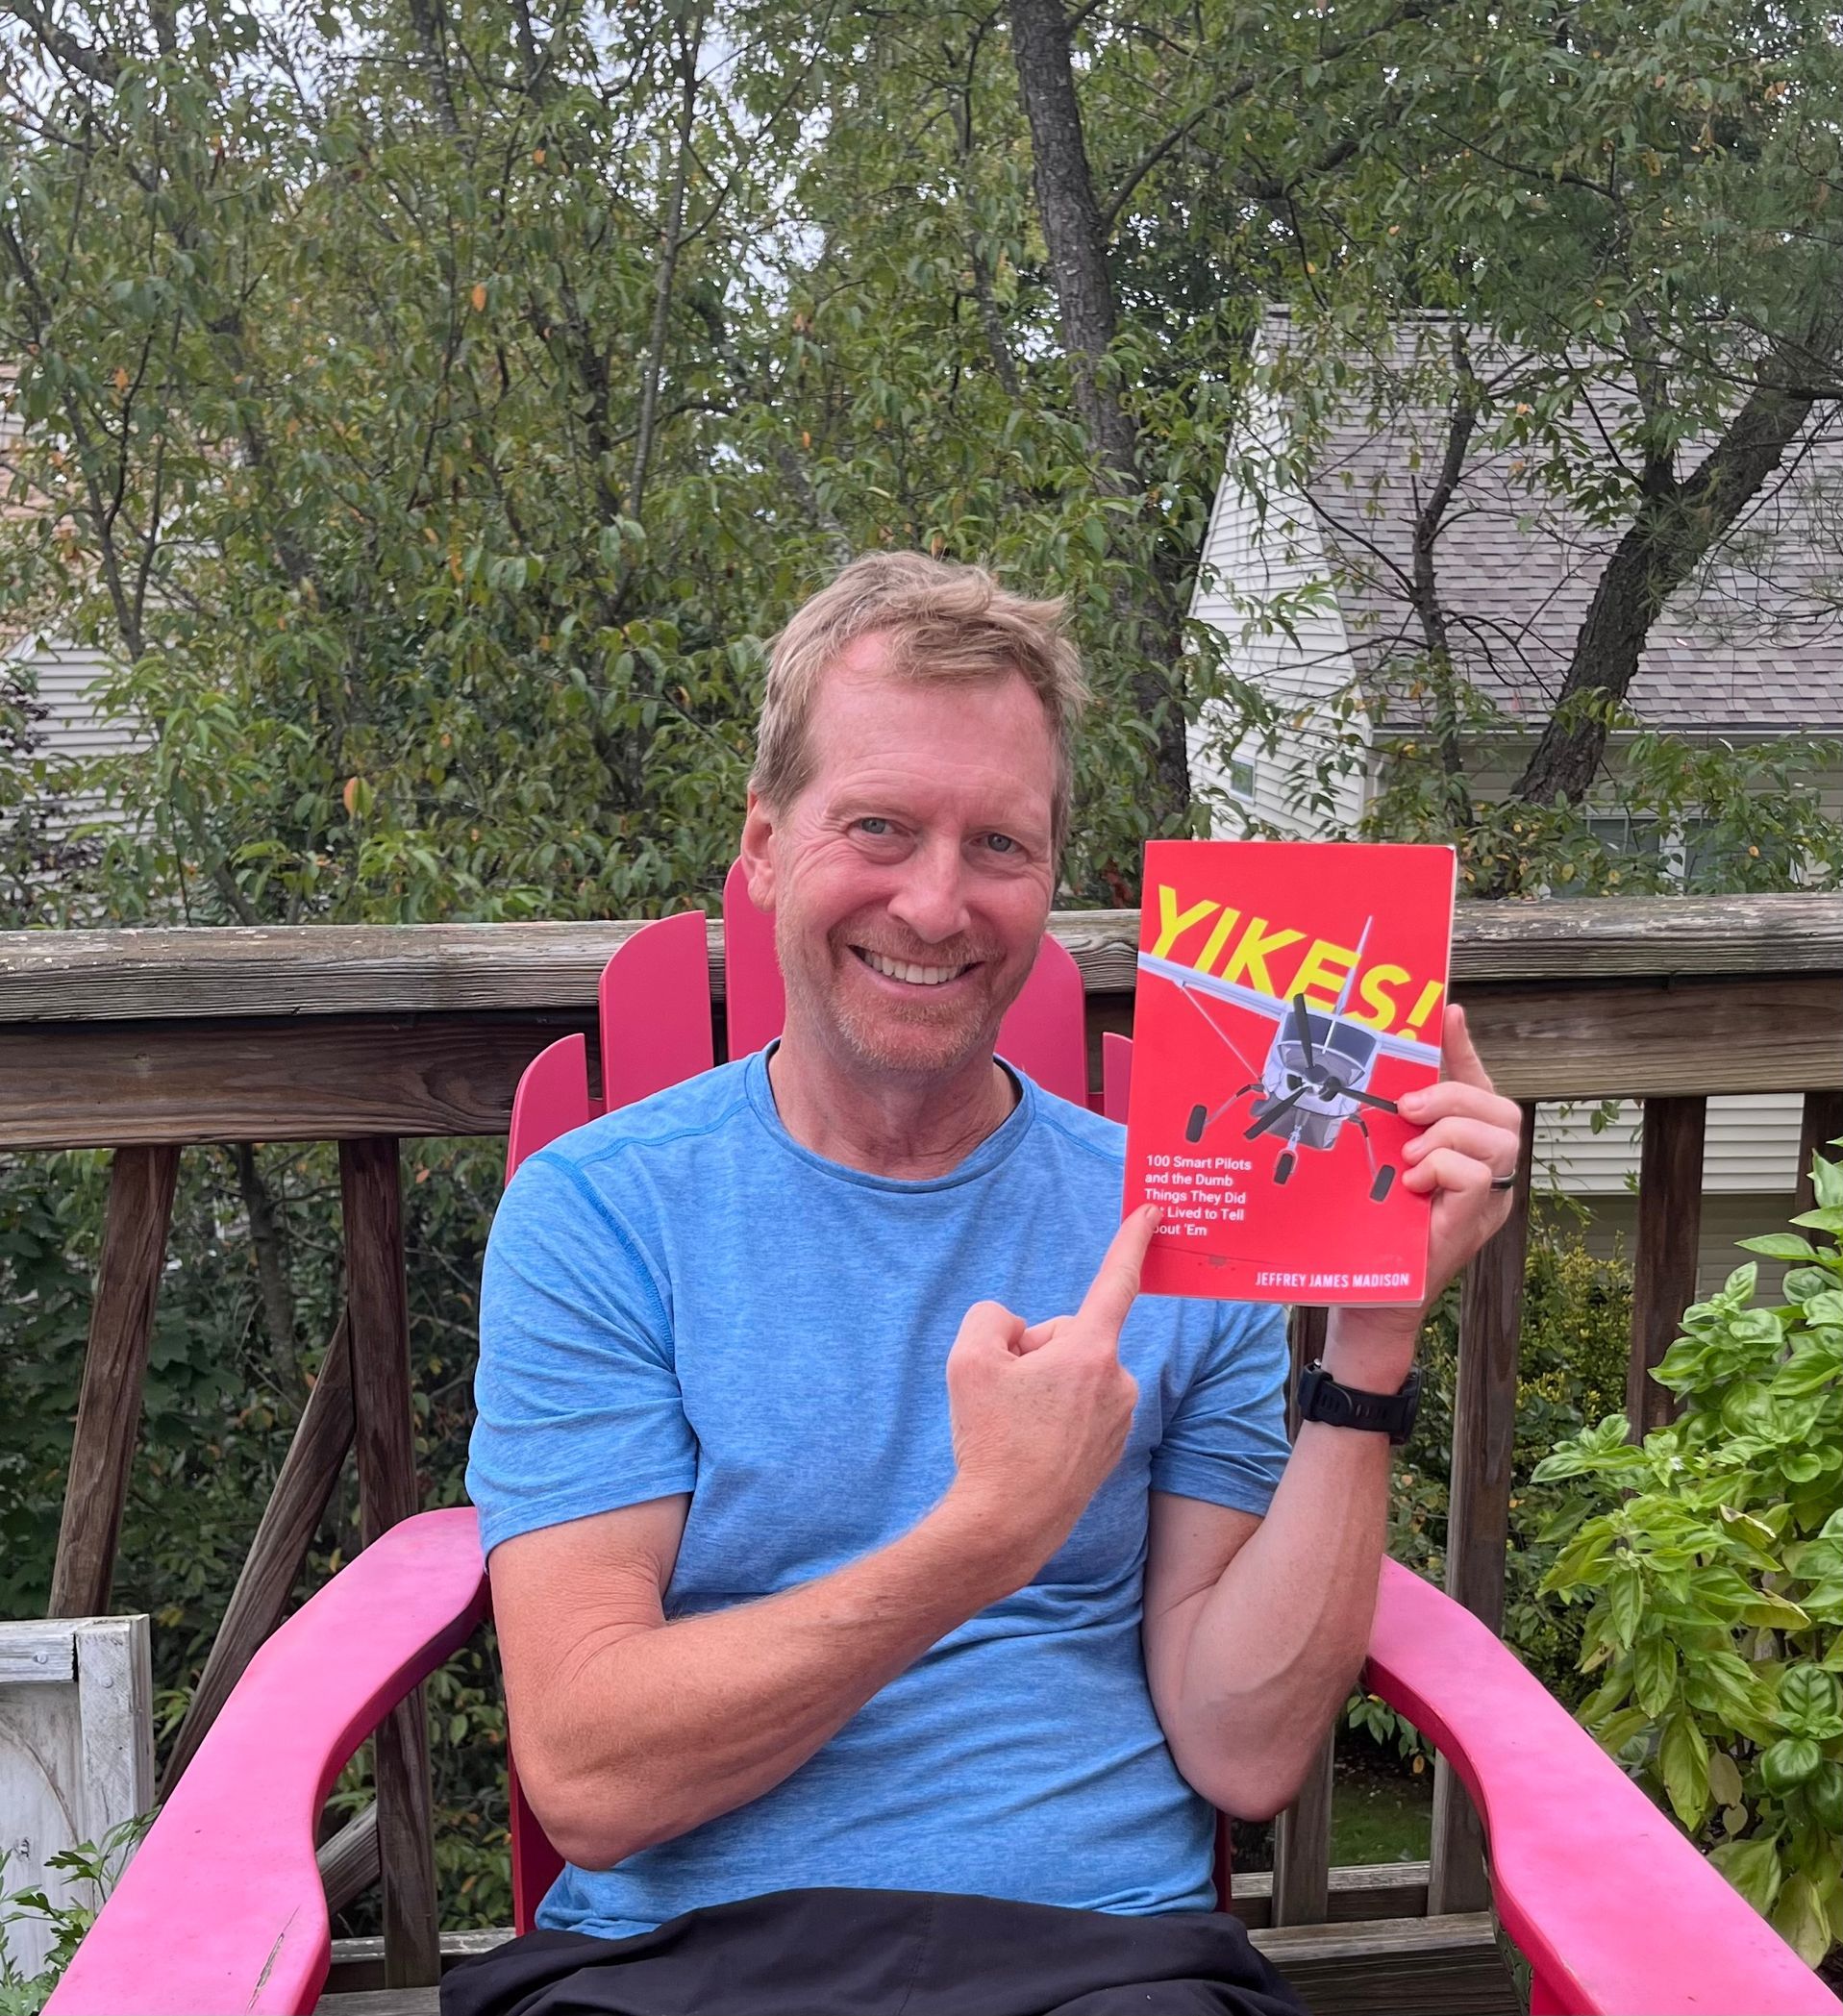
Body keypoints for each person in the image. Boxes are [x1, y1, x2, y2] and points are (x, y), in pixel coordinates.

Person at [451, 553, 1523, 2016]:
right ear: (763, 844)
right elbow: (587, 1775)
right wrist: (988, 1532)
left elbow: (1245, 1748)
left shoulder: (1177, 1216)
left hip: (1100, 1964)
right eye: (878, 827)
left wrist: (1373, 1335)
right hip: (677, 1964)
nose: (937, 903)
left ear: (1052, 880)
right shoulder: (603, 1216)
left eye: (1000, 846)